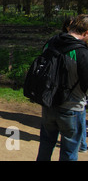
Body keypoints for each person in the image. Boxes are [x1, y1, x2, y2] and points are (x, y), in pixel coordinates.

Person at [37, 14, 88, 161]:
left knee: (45, 145)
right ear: (85, 33)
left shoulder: (50, 43)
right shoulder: (82, 53)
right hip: (72, 107)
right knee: (69, 152)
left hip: (48, 103)